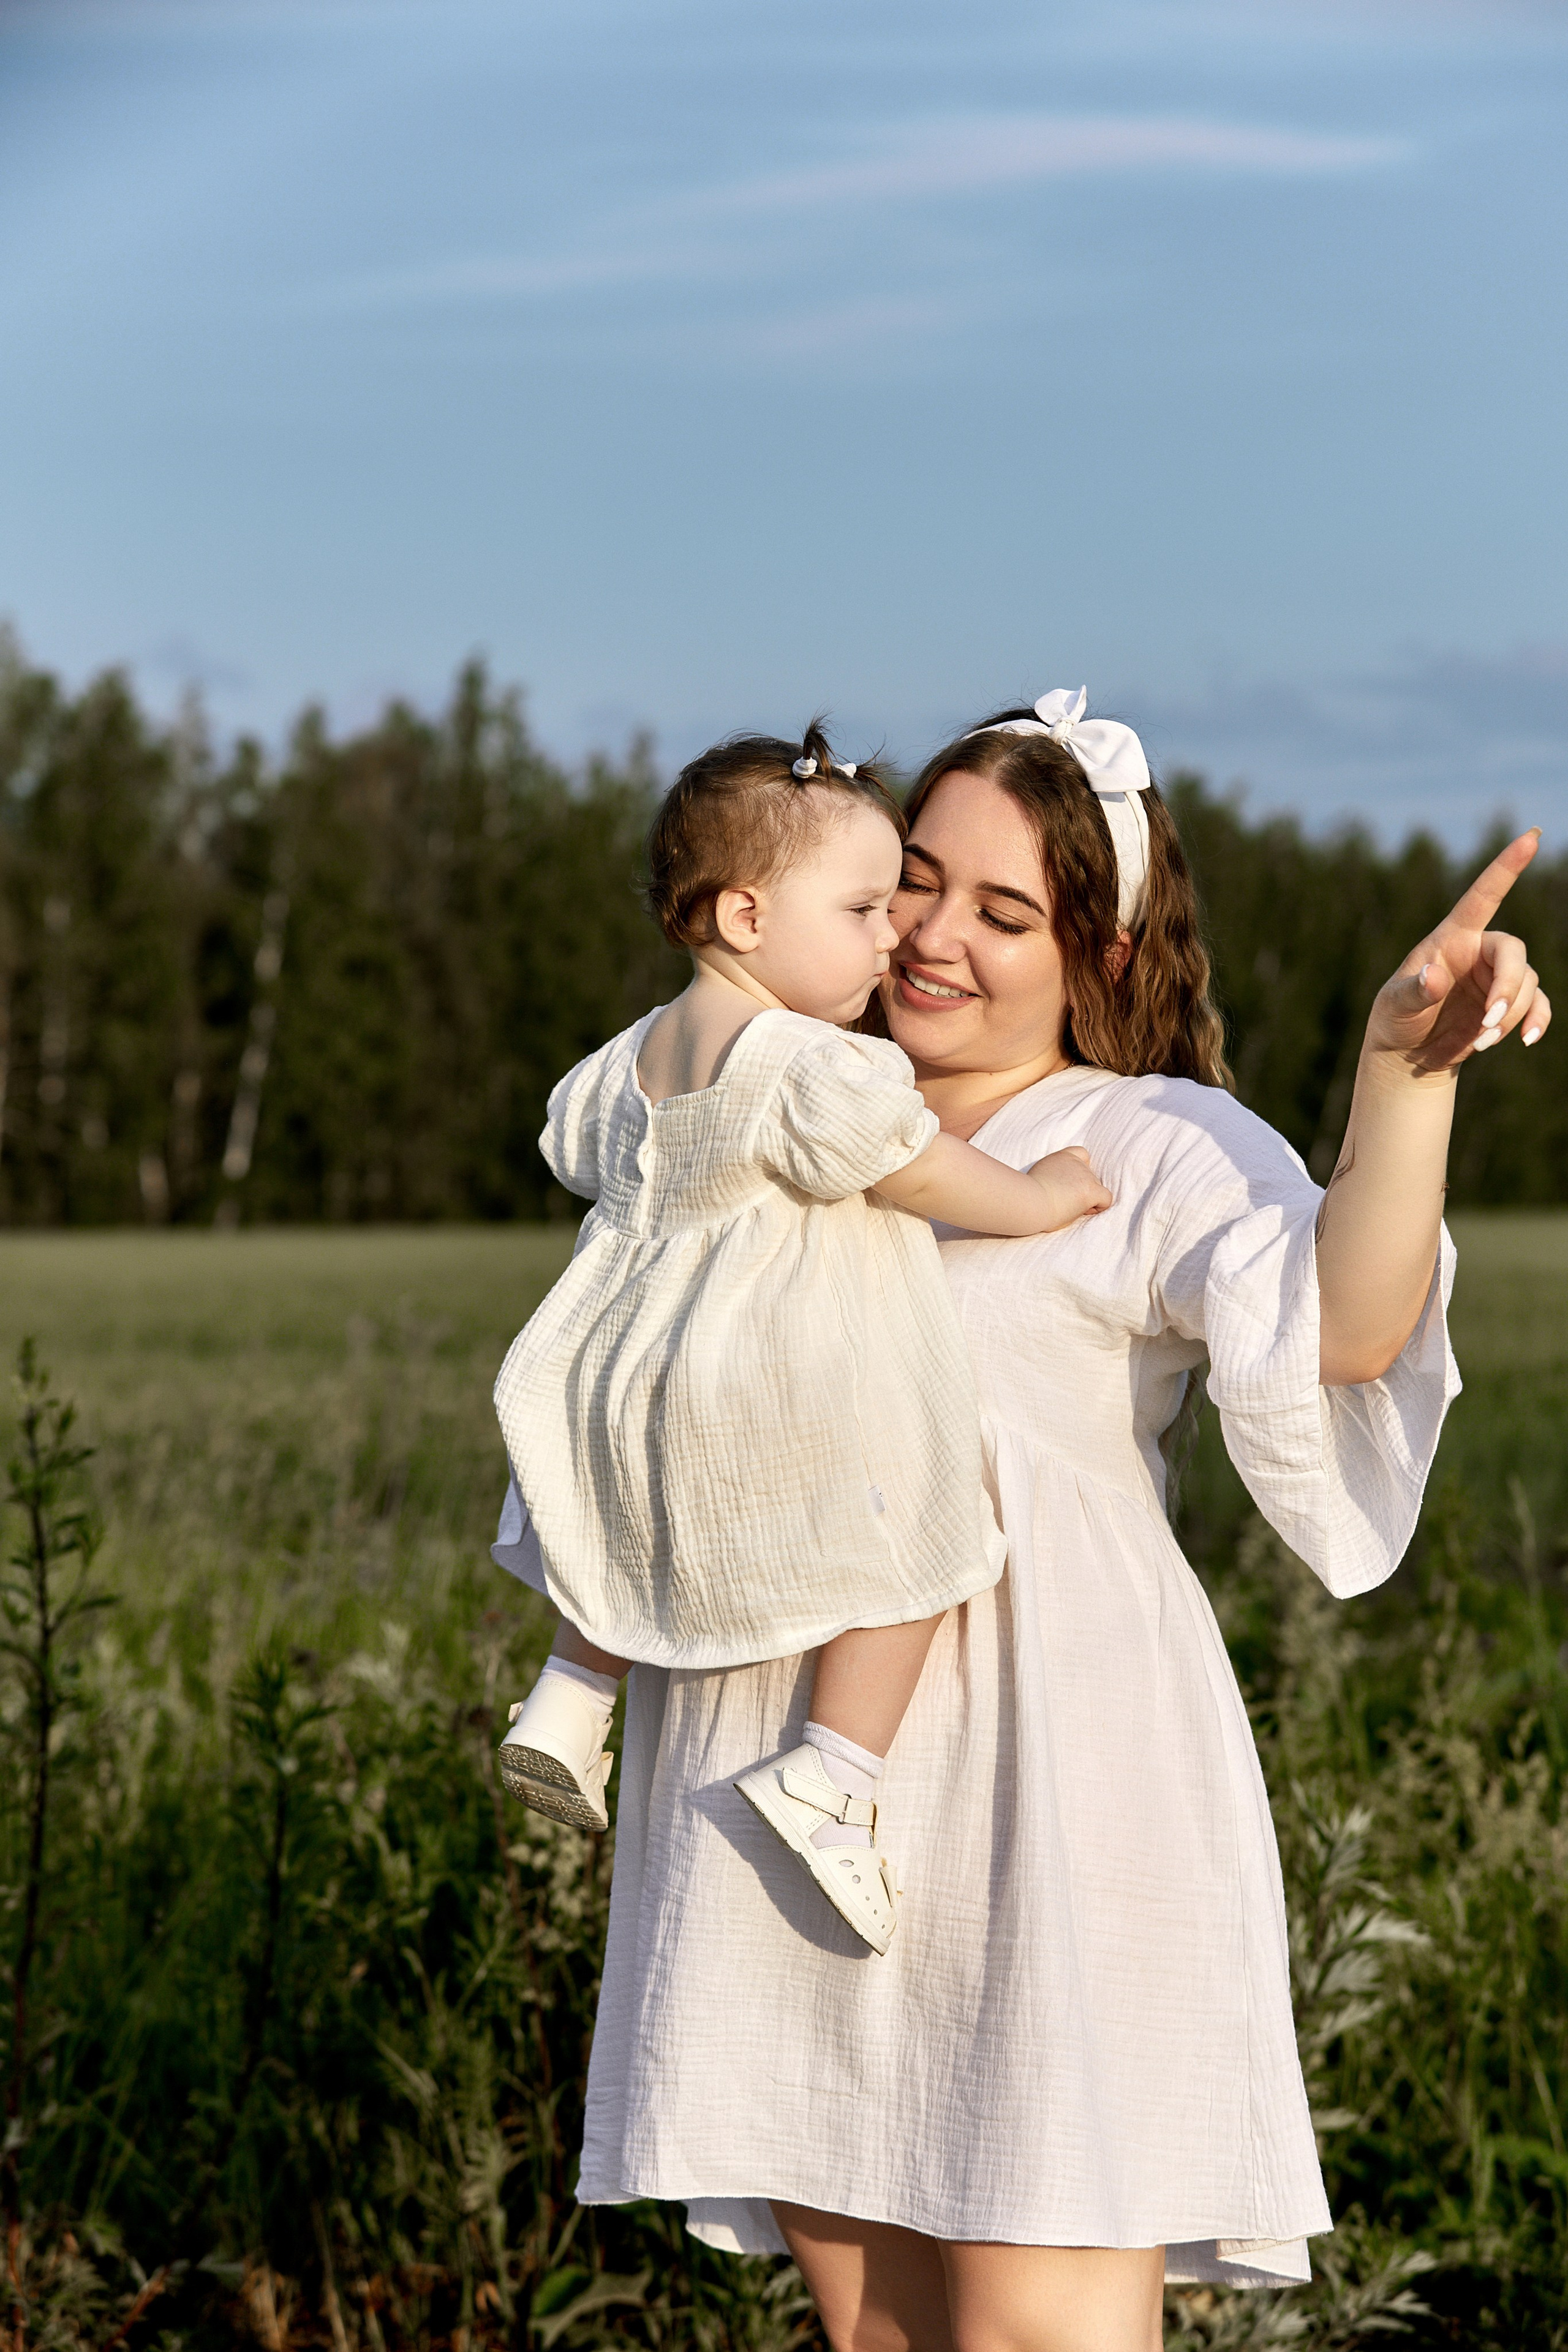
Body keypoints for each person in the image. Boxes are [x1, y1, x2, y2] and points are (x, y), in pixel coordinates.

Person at [492, 685, 1550, 2352]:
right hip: (773, 1789)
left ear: (1097, 956)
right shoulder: (773, 1100)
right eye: (913, 881)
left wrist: (1404, 1074)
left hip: (1043, 1802)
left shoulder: (1147, 1139)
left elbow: (1342, 1331)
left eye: (1002, 912)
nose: (929, 936)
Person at [492, 720, 1108, 1954]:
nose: (895, 938)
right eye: (865, 909)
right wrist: (1041, 1196)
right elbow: (914, 1167)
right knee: (924, 1521)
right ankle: (833, 1771)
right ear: (744, 917)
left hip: (621, 1367)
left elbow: (571, 1144)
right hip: (761, 1371)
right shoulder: (802, 1062)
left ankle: (568, 1698)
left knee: (623, 1510)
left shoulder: (628, 1058)